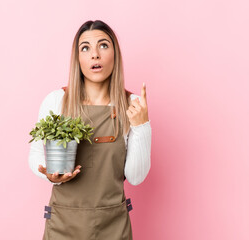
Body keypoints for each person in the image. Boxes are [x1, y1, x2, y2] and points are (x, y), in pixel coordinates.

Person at [28, 20, 152, 240]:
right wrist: (50, 174)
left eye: (103, 45)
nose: (95, 54)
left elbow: (135, 177)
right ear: (78, 59)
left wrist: (142, 126)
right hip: (63, 226)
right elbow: (36, 154)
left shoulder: (132, 104)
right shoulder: (57, 101)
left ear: (115, 53)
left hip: (113, 226)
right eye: (85, 48)